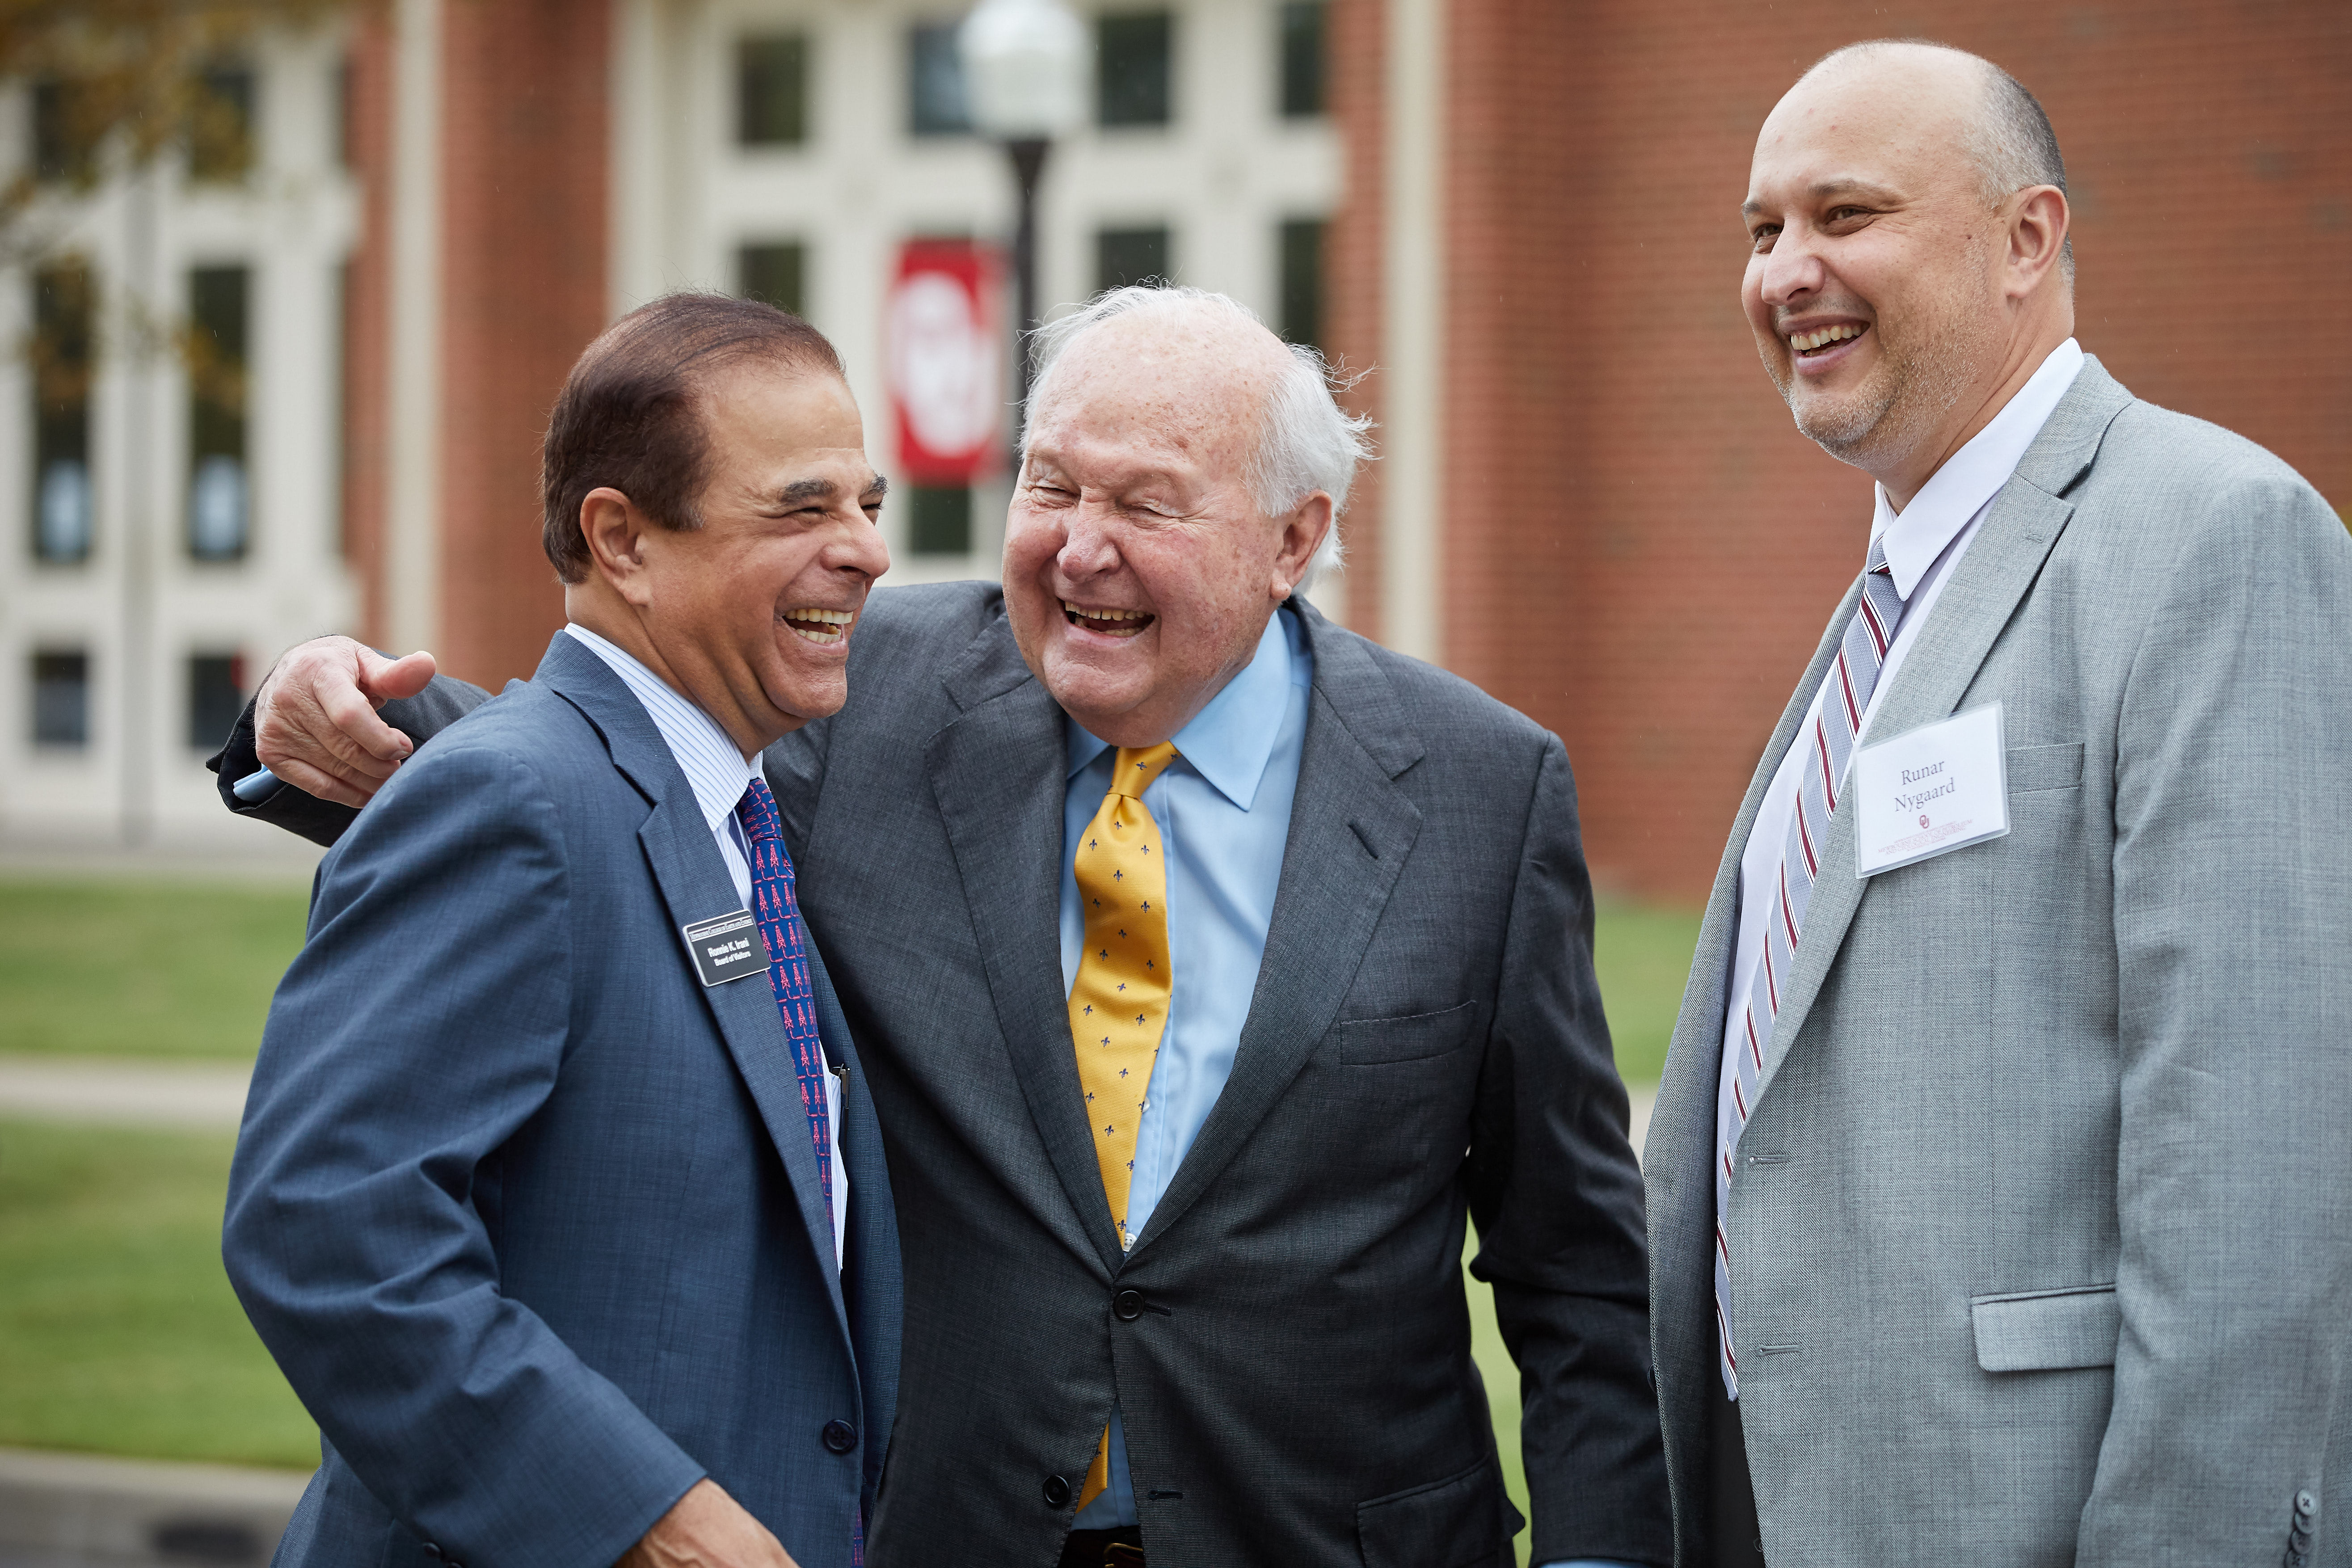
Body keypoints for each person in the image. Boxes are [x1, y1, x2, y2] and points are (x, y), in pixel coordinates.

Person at [214, 287, 1671, 1568]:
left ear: (1296, 538)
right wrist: (334, 706)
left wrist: (1604, 1551)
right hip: (943, 1524)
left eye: (1146, 505)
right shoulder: (871, 694)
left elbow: (1577, 1263)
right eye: (1049, 485)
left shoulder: (1480, 787)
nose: (1079, 552)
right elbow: (618, 758)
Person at [1639, 39, 2352, 1567]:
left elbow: (2254, 1178)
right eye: (1763, 231)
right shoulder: (1893, 601)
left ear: (2028, 239)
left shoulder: (2215, 538)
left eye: (1848, 214)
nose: (1786, 273)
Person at [221, 295, 901, 1568]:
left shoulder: (737, 811)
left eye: (870, 505)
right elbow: (327, 1228)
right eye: (804, 508)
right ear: (623, 541)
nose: (864, 552)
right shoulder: (515, 800)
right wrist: (650, 1521)